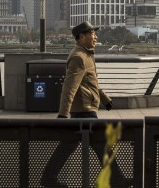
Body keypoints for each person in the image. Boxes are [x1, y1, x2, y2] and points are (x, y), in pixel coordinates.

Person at [41, 21, 130, 188]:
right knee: (101, 144)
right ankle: (117, 179)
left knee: (69, 145)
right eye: (92, 34)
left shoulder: (87, 54)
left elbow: (91, 83)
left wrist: (105, 99)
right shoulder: (78, 57)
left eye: (95, 34)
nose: (95, 37)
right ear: (81, 37)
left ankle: (48, 176)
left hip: (86, 108)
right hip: (84, 110)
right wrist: (63, 114)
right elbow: (69, 87)